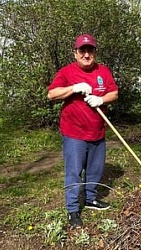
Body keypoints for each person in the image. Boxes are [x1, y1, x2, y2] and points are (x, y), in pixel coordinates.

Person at [47, 34, 119, 228]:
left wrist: (101, 99)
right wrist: (74, 88)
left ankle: (90, 198)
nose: (86, 54)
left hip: (97, 131)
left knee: (95, 170)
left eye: (90, 50)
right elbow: (51, 94)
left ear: (95, 52)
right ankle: (72, 210)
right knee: (74, 171)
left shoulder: (103, 71)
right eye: (82, 50)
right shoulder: (67, 72)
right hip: (74, 132)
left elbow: (114, 93)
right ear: (75, 53)